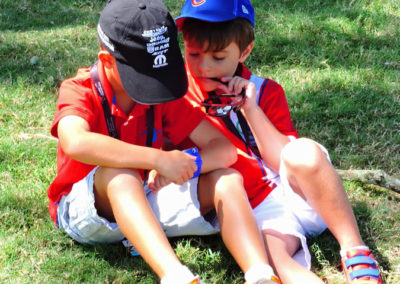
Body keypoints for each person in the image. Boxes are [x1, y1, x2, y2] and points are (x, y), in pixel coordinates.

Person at [47, 0, 278, 283]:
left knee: (227, 178)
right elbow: (75, 142)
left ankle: (261, 275)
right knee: (121, 174)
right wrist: (157, 159)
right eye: (144, 77)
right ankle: (177, 276)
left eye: (161, 72)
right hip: (87, 212)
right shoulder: (79, 89)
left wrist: (187, 163)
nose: (154, 86)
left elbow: (225, 150)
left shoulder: (162, 93)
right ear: (107, 61)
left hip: (146, 197)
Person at [174, 0, 383, 283]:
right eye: (193, 53)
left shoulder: (264, 90)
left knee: (303, 153)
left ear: (245, 51)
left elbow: (282, 159)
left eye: (218, 57)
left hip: (307, 193)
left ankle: (354, 250)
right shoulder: (177, 98)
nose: (203, 66)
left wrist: (250, 109)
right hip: (258, 210)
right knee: (275, 261)